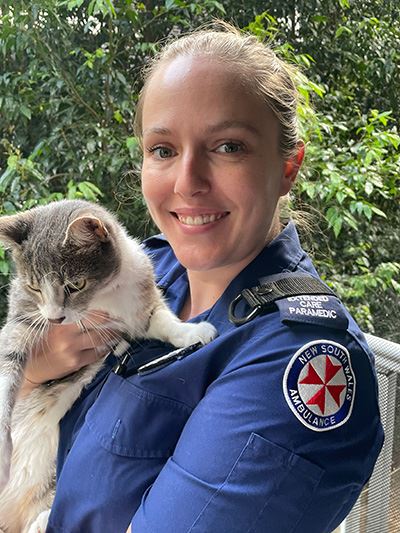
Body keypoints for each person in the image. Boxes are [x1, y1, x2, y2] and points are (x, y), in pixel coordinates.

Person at [21, 21, 383, 532]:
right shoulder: (148, 272)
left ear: (288, 167)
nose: (187, 182)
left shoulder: (294, 363)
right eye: (163, 150)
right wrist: (31, 372)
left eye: (228, 147)